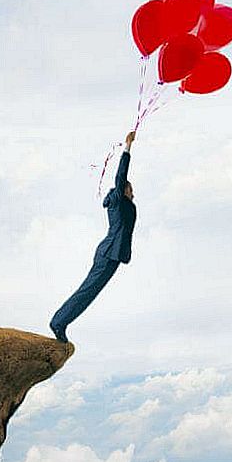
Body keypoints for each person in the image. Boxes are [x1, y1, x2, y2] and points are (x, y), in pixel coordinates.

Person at [50, 131, 137, 343]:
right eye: (130, 188)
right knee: (88, 291)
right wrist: (127, 147)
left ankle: (61, 321)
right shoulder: (118, 199)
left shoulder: (124, 203)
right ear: (123, 189)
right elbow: (121, 177)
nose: (133, 191)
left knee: (91, 293)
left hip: (113, 255)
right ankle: (58, 322)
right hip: (109, 254)